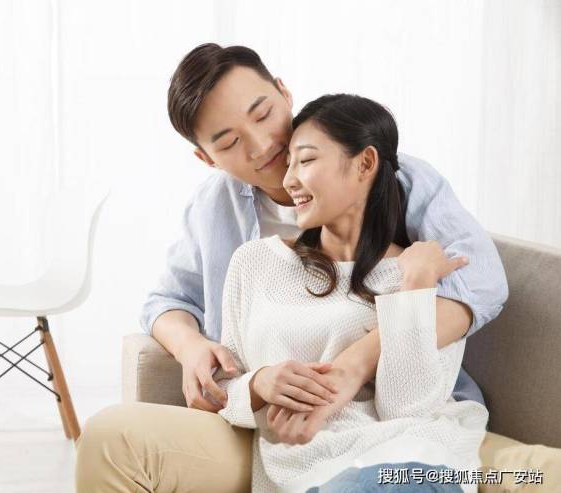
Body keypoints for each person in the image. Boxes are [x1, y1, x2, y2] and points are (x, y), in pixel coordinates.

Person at [74, 44, 507, 492]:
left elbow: (479, 278)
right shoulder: (223, 221)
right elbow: (169, 301)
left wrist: (355, 363)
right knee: (111, 437)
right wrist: (192, 347)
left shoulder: (388, 175)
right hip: (270, 430)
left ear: (284, 92)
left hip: (389, 419)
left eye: (263, 114)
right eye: (229, 142)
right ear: (207, 159)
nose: (262, 146)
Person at [213, 93, 488, 492]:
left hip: (409, 463)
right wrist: (259, 384)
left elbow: (408, 407)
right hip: (308, 475)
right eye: (288, 164)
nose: (289, 180)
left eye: (306, 160)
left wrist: (413, 289)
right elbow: (222, 387)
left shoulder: (420, 273)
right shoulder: (255, 263)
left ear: (365, 164)